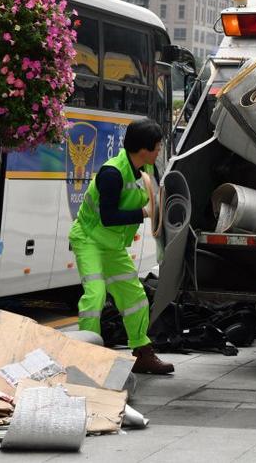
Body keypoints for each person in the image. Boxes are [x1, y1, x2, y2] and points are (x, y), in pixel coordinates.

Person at [69, 118, 174, 375]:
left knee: (135, 297)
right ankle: (89, 357)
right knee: (95, 296)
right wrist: (145, 213)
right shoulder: (112, 173)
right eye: (158, 146)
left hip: (112, 245)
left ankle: (142, 353)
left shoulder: (140, 174)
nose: (160, 150)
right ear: (144, 149)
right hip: (90, 240)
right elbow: (108, 217)